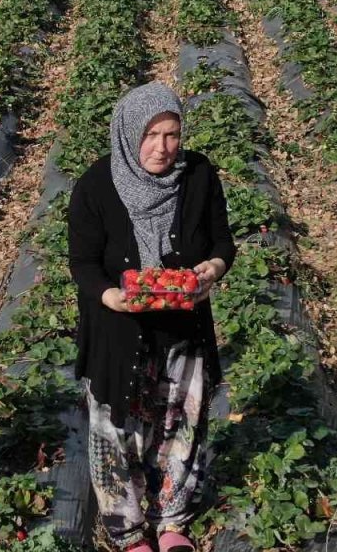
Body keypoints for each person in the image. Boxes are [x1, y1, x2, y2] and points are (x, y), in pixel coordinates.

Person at [68, 82, 235, 552]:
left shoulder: (198, 175)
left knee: (182, 420)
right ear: (128, 134)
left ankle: (172, 520)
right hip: (117, 330)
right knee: (115, 428)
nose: (162, 147)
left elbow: (223, 241)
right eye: (151, 135)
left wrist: (212, 268)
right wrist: (110, 296)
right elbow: (82, 262)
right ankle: (128, 530)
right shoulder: (96, 186)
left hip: (184, 325)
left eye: (172, 134)